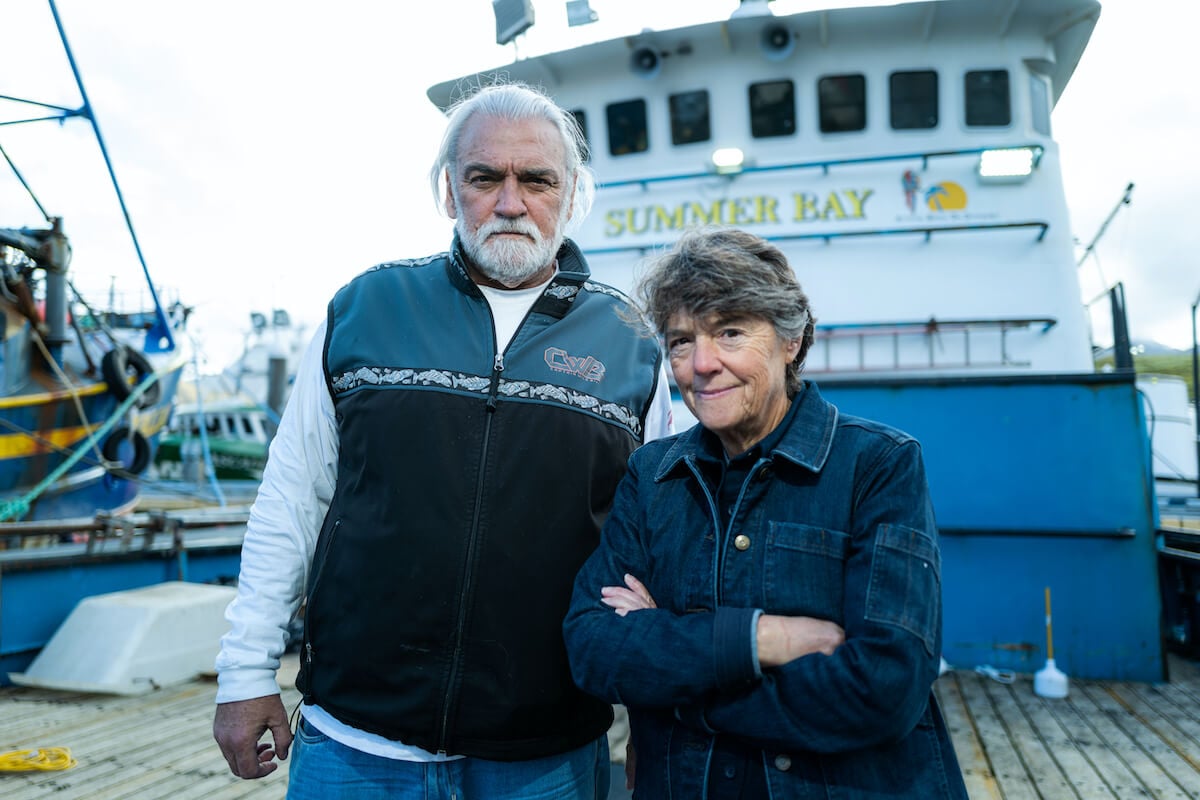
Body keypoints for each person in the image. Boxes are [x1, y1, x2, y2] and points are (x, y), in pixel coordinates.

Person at [212, 80, 673, 799]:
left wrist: (654, 722)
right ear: (447, 189)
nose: (511, 202)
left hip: (545, 752)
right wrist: (244, 674)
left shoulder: (630, 344)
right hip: (356, 744)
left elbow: (655, 549)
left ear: (574, 192)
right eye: (484, 177)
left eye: (537, 179)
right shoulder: (365, 309)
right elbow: (292, 500)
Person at [563, 227, 968, 799]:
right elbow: (592, 646)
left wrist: (674, 682)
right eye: (681, 341)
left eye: (730, 332)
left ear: (791, 341)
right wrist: (759, 639)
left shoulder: (877, 466)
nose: (701, 364)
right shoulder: (653, 475)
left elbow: (885, 687)